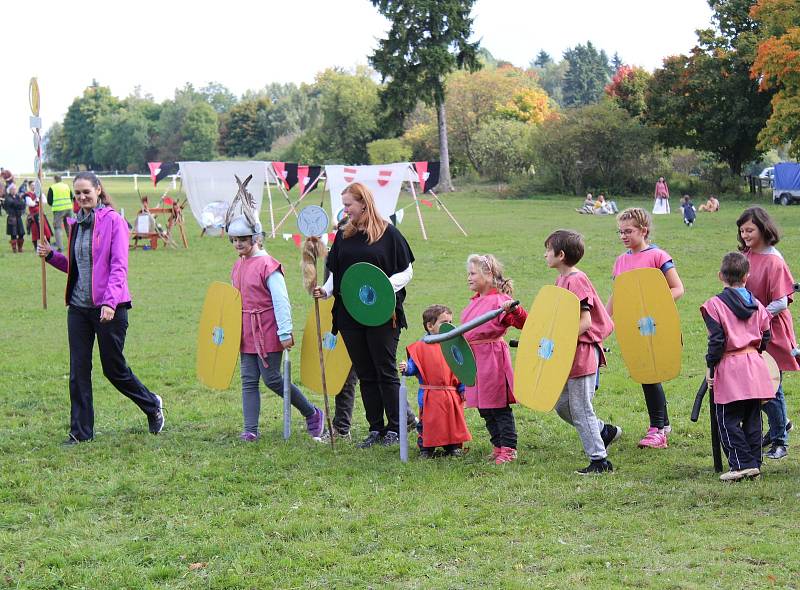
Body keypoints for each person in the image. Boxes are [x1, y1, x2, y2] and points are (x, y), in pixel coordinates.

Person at [37, 172, 164, 444]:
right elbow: (77, 267)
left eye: (86, 191)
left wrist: (109, 302)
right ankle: (80, 433)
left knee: (113, 369)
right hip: (79, 310)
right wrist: (51, 256)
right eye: (78, 193)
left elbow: (119, 267)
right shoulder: (76, 224)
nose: (82, 197)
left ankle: (152, 404)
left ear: (98, 190)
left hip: (110, 308)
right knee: (78, 370)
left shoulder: (114, 221)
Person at [313, 182, 416, 448]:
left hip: (382, 313)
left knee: (385, 370)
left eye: (348, 204)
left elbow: (406, 272)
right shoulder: (344, 236)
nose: (345, 209)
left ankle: (396, 428)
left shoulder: (388, 234)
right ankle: (376, 429)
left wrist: (383, 288)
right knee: (365, 371)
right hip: (350, 313)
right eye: (344, 204)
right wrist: (325, 290)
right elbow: (338, 273)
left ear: (363, 203)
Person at [228, 213, 325, 442]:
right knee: (249, 379)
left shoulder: (268, 265)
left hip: (268, 329)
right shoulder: (238, 265)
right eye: (234, 239)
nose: (238, 243)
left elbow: (281, 300)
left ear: (256, 238)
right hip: (246, 330)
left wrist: (285, 331)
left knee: (271, 378)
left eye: (243, 238)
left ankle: (312, 413)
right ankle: (250, 430)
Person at [544, 230, 621, 474]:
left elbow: (585, 322)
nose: (545, 255)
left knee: (580, 407)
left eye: (548, 250)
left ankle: (599, 461)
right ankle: (602, 431)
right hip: (569, 352)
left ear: (561, 254)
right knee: (562, 404)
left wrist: (560, 339)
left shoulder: (576, 280)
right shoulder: (561, 279)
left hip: (583, 351)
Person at [607, 208, 684, 448]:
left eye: (628, 231)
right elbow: (617, 296)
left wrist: (653, 306)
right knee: (645, 374)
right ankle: (664, 424)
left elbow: (677, 288)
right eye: (620, 232)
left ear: (644, 230)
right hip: (634, 329)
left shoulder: (658, 256)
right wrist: (604, 321)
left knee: (651, 375)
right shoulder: (621, 261)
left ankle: (657, 430)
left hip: (657, 326)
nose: (623, 236)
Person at [700, 252, 775, 481]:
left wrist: (711, 365)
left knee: (727, 419)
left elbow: (717, 341)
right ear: (747, 276)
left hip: (730, 367)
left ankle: (742, 464)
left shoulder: (714, 305)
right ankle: (754, 464)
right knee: (753, 417)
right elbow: (766, 336)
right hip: (754, 364)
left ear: (720, 276)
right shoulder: (758, 305)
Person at [736, 206, 798, 460]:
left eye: (750, 229)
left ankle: (780, 439)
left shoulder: (774, 260)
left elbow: (781, 301)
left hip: (772, 331)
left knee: (772, 385)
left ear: (763, 228)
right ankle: (779, 424)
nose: (745, 234)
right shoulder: (746, 256)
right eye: (742, 231)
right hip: (751, 330)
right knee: (755, 385)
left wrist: (756, 314)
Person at [461, 254, 528, 464]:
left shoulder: (500, 301)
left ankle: (509, 448)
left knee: (497, 406)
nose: (468, 278)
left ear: (488, 274)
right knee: (484, 407)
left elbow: (522, 322)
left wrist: (514, 310)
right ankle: (498, 445)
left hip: (491, 357)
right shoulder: (474, 302)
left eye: (473, 273)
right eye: (468, 273)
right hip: (474, 359)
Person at [399, 304, 471, 458]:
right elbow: (413, 366)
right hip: (430, 394)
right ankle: (426, 448)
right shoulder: (420, 347)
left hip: (451, 394)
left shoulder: (454, 346)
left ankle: (453, 447)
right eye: (444, 322)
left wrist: (463, 388)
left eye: (451, 322)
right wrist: (406, 367)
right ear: (430, 326)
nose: (449, 326)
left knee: (452, 422)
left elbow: (462, 368)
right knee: (429, 423)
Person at [48, 174, 75, 252]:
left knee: (58, 228)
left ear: (54, 179)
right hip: (69, 208)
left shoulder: (52, 187)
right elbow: (71, 197)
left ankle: (60, 247)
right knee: (69, 227)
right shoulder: (66, 186)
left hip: (58, 209)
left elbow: (49, 201)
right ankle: (73, 245)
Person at [24, 184, 52, 249]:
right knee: (35, 232)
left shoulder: (39, 192)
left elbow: (45, 201)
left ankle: (48, 245)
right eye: (32, 185)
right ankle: (35, 247)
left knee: (46, 230)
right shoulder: (27, 194)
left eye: (35, 185)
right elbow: (30, 203)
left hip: (41, 214)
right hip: (34, 216)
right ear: (29, 186)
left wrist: (37, 201)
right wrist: (38, 201)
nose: (34, 186)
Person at [4, 184, 26, 252]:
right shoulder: (7, 197)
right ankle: (14, 249)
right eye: (13, 189)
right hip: (12, 217)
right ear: (10, 190)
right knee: (13, 234)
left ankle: (20, 248)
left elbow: (23, 204)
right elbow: (14, 203)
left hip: (18, 217)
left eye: (15, 189)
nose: (14, 190)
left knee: (21, 233)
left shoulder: (17, 196)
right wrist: (18, 203)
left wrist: (18, 203)